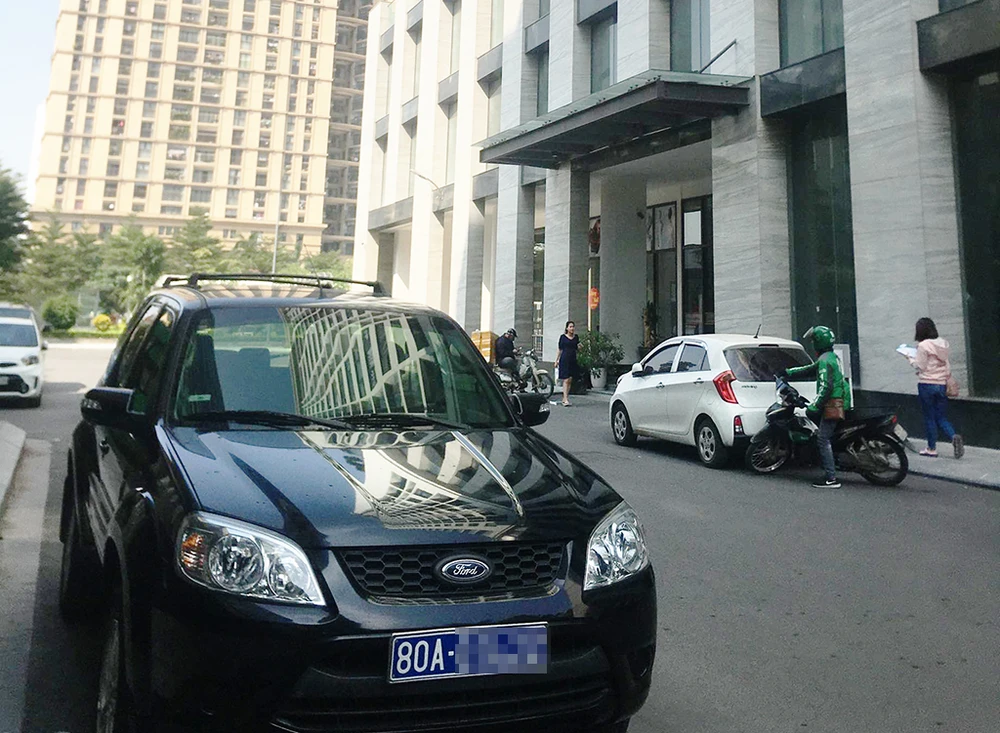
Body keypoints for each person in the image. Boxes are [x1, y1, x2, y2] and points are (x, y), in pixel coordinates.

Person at [785, 326, 852, 489]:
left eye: (813, 341)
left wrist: (814, 406)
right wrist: (789, 372)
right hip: (841, 399)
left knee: (823, 438)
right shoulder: (831, 357)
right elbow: (810, 369)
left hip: (833, 403)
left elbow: (826, 387)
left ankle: (831, 478)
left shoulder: (825, 360)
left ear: (818, 343)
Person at [907, 317, 963, 459]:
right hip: (941, 384)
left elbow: (920, 366)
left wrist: (909, 358)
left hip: (926, 384)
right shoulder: (943, 343)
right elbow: (947, 366)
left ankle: (931, 448)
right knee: (941, 416)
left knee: (929, 417)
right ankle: (953, 435)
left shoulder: (923, 346)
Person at [556, 321, 579, 407]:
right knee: (566, 379)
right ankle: (565, 399)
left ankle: (565, 397)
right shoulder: (563, 337)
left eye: (573, 326)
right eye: (570, 327)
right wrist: (556, 360)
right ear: (567, 328)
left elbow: (577, 347)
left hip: (573, 359)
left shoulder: (576, 337)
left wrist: (580, 347)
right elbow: (560, 349)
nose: (572, 328)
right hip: (564, 359)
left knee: (570, 380)